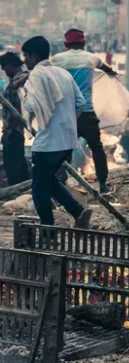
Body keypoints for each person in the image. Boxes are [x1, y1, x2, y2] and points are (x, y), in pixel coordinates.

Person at [21, 36, 92, 227]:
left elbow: (31, 105)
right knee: (49, 181)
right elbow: (80, 103)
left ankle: (48, 230)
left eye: (26, 56)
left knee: (38, 190)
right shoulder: (64, 74)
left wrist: (25, 95)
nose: (25, 61)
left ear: (34, 56)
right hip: (67, 142)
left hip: (47, 144)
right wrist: (66, 122)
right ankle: (79, 212)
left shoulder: (37, 75)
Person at [52, 28, 116, 194]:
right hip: (87, 113)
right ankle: (103, 184)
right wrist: (111, 72)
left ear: (66, 44)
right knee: (96, 147)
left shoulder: (57, 59)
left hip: (67, 114)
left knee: (63, 150)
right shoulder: (91, 58)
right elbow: (107, 68)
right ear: (84, 43)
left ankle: (61, 186)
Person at [0, 52, 30, 185]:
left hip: (13, 132)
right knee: (19, 163)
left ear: (9, 65)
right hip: (19, 131)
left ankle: (18, 191)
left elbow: (13, 112)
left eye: (4, 67)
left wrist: (7, 132)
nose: (4, 71)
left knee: (13, 166)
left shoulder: (15, 84)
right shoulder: (23, 79)